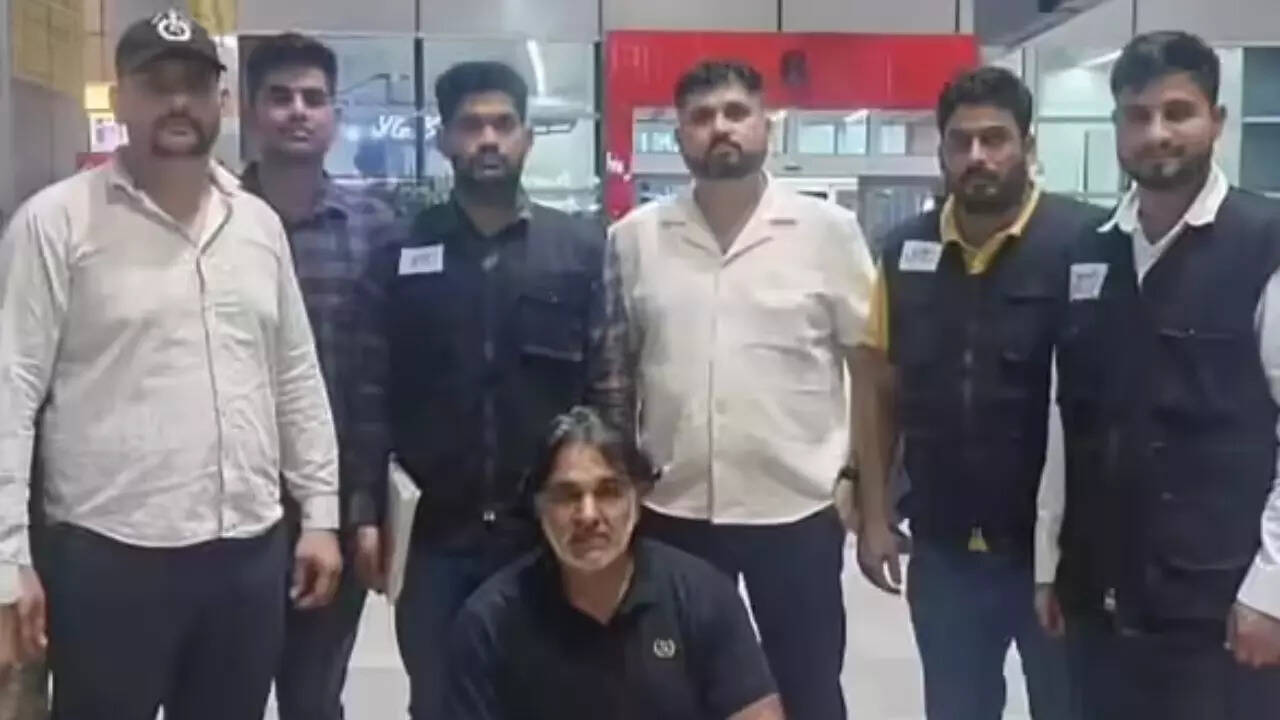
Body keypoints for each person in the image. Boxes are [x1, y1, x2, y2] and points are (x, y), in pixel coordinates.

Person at [0, 9, 342, 719]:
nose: (179, 102)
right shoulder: (55, 224)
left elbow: (295, 378)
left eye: (195, 85)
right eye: (157, 85)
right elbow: (11, 392)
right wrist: (9, 558)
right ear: (120, 98)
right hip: (107, 560)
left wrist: (320, 514)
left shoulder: (257, 224)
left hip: (247, 555)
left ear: (221, 101)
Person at [591, 59, 875, 720]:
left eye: (736, 112)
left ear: (765, 125)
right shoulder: (635, 240)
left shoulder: (826, 233)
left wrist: (863, 480)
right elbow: (616, 371)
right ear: (678, 136)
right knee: (674, 688)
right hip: (673, 506)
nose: (720, 128)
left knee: (807, 687)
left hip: (797, 507)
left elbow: (868, 367)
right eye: (701, 117)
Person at [1038, 30, 1280, 719]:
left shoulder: (1264, 243)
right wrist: (1049, 563)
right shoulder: (1089, 251)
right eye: (1138, 115)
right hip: (1101, 601)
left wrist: (1271, 591)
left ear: (1217, 121)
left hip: (1220, 610)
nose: (1157, 134)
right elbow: (1064, 420)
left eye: (1178, 113)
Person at [352, 60, 606, 718]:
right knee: (440, 701)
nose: (487, 139)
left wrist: (606, 508)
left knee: (553, 699)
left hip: (547, 533)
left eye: (503, 124)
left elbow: (608, 386)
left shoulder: (578, 250)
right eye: (470, 125)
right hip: (436, 537)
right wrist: (364, 512)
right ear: (444, 140)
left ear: (527, 139)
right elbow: (371, 391)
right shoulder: (400, 250)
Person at [852, 66, 1101, 720]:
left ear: (1028, 146)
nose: (978, 157)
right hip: (945, 549)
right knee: (956, 707)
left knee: (1069, 705)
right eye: (961, 142)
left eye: (995, 139)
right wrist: (874, 515)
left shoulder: (1087, 243)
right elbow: (878, 387)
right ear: (941, 152)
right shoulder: (904, 251)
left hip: (1058, 551)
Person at [241, 33, 397, 720]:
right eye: (280, 97)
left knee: (314, 695)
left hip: (335, 503)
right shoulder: (216, 219)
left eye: (314, 98)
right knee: (224, 693)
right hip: (228, 511)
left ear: (334, 115)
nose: (298, 111)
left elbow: (381, 379)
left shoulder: (377, 230)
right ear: (250, 112)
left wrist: (364, 512)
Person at [444, 406, 784, 720]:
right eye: (567, 496)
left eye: (608, 492)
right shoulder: (488, 625)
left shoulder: (703, 598)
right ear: (539, 508)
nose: (588, 515)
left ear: (638, 499)